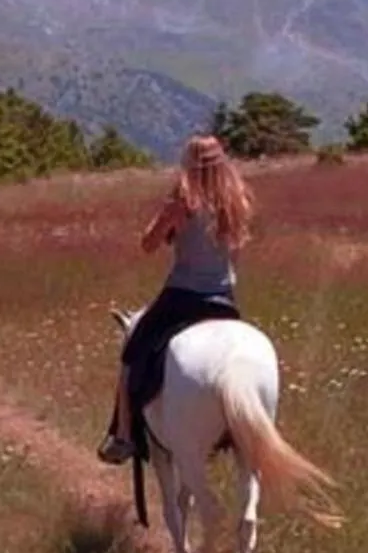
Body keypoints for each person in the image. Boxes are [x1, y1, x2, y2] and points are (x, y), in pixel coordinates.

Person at [97, 134, 253, 465]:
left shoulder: (184, 199)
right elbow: (236, 254)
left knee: (132, 350)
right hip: (225, 299)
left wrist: (166, 219)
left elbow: (149, 245)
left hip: (183, 295)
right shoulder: (238, 201)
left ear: (189, 163)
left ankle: (123, 435)